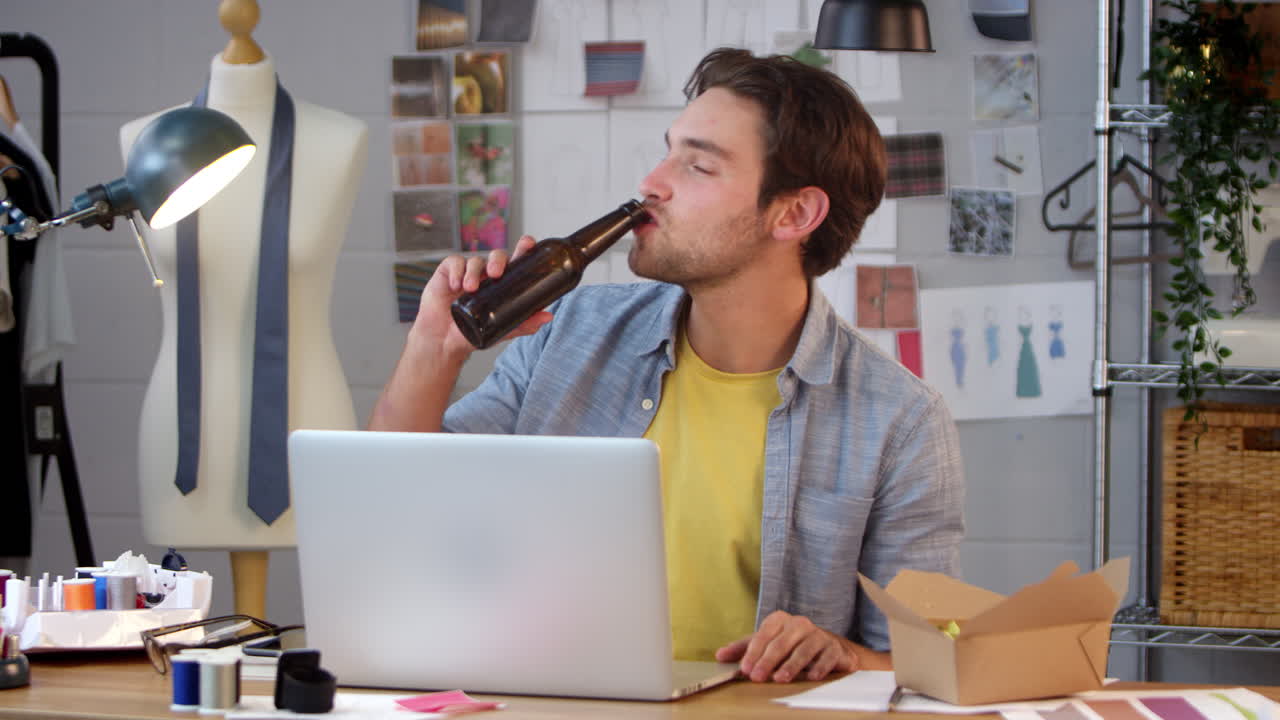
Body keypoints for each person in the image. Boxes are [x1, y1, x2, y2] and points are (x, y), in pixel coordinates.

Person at [370, 48, 964, 683]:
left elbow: (931, 660)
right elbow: (394, 508)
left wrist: (846, 656)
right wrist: (436, 349)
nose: (653, 181)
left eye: (698, 165)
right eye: (668, 150)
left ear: (794, 214)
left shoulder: (900, 422)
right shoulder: (572, 331)